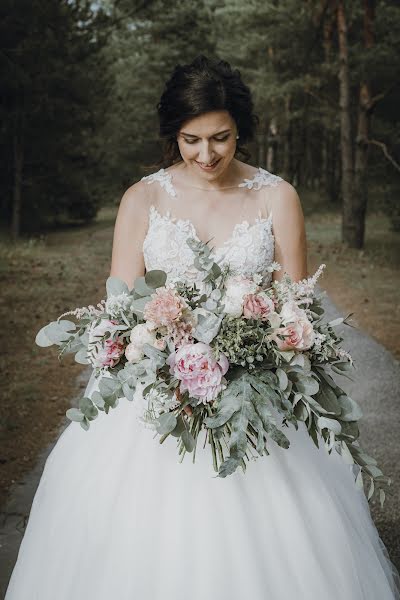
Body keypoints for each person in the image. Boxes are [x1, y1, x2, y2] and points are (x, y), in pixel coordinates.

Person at [5, 55, 400, 600]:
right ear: (173, 133)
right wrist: (162, 350)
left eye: (222, 137)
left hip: (255, 388)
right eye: (191, 139)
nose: (206, 154)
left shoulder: (275, 195)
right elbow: (121, 305)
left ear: (241, 130)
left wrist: (260, 348)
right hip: (155, 389)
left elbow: (295, 303)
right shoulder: (142, 199)